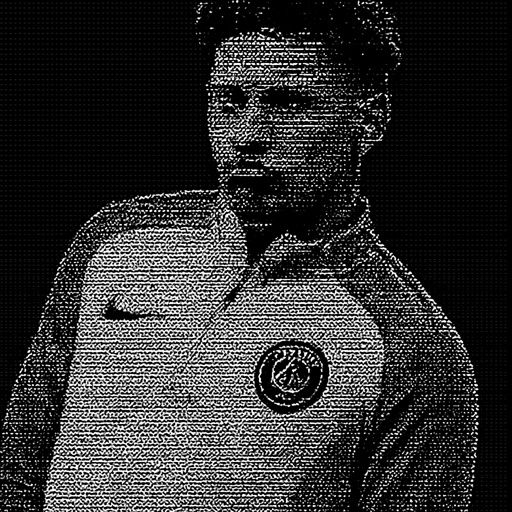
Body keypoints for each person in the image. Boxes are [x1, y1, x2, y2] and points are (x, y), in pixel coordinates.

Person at [0, 1, 478, 510]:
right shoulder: (113, 240)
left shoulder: (415, 348)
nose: (246, 136)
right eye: (229, 101)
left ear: (371, 119)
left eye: (288, 104)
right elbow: (25, 457)